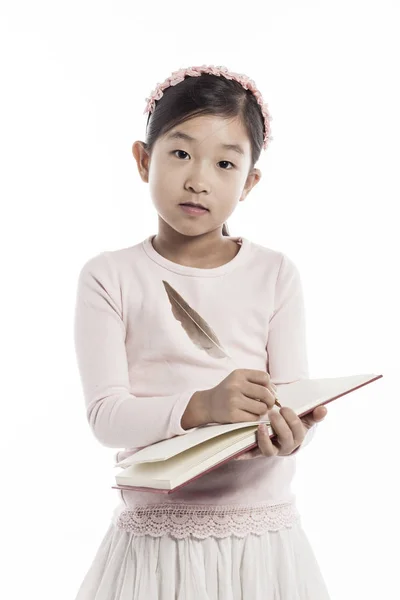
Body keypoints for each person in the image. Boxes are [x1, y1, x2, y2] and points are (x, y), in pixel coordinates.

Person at [73, 64, 331, 599]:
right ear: (144, 160)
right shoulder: (110, 276)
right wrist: (203, 406)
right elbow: (106, 417)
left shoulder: (275, 274)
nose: (199, 179)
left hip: (260, 541)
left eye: (225, 163)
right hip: (156, 545)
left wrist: (292, 431)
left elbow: (290, 398)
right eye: (181, 153)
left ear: (249, 182)